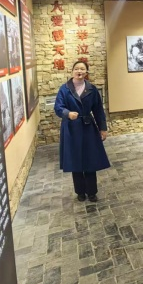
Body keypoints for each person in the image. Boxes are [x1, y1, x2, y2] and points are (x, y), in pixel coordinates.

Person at [54, 61, 109, 202]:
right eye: (77, 69)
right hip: (71, 128)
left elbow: (98, 110)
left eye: (82, 69)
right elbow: (58, 107)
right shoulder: (64, 89)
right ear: (72, 71)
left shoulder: (91, 89)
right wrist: (67, 113)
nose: (79, 71)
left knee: (90, 159)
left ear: (86, 72)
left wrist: (103, 128)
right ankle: (80, 192)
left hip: (88, 127)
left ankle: (92, 192)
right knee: (75, 160)